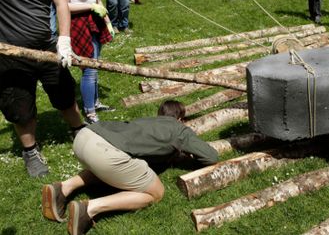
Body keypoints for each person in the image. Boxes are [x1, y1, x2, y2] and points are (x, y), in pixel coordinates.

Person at [41, 100, 218, 235]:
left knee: (112, 164)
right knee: (155, 193)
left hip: (85, 137)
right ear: (181, 119)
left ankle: (63, 188)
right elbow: (211, 156)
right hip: (105, 153)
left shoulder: (146, 120)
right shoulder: (179, 129)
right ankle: (89, 209)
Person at [0, 0, 85, 177]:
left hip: (48, 48)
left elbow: (60, 3)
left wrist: (64, 40)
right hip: (11, 54)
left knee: (65, 94)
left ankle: (80, 134)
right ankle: (30, 151)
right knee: (20, 106)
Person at [58, 0, 115, 125]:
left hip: (95, 20)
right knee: (89, 69)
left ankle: (95, 102)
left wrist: (106, 18)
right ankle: (90, 113)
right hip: (79, 23)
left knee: (95, 65)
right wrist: (91, 7)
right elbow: (62, 5)